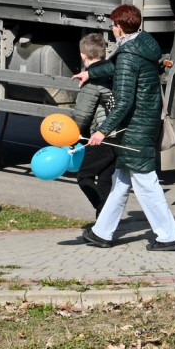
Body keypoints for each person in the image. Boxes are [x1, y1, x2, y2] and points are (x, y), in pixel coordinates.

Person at [74, 4, 175, 251]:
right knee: (121, 180)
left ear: (120, 28)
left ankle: (168, 237)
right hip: (144, 121)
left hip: (136, 127)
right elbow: (115, 66)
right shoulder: (142, 44)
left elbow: (123, 101)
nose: (112, 29)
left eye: (113, 25)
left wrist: (102, 130)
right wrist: (90, 74)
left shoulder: (129, 54)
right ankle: (102, 232)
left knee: (146, 183)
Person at [71, 33, 117, 219]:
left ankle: (105, 215)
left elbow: (82, 115)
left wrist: (73, 138)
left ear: (83, 56)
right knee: (105, 180)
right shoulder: (111, 73)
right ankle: (102, 226)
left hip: (102, 136)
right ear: (105, 54)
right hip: (116, 135)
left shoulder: (91, 81)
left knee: (84, 177)